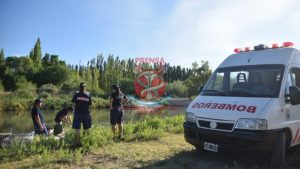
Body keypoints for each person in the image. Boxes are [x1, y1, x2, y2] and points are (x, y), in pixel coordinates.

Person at [72, 83, 92, 147]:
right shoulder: (88, 95)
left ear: (79, 88)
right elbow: (90, 104)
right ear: (85, 88)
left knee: (77, 128)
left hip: (77, 113)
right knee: (87, 127)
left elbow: (73, 103)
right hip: (86, 113)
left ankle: (79, 141)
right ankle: (87, 140)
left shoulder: (76, 95)